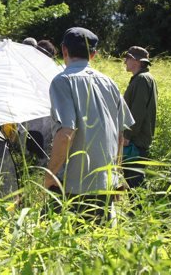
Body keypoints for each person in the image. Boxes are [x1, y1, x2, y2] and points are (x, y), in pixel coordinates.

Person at [44, 27, 134, 221]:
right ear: (94, 54)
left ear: (64, 50)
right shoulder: (109, 83)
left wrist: (49, 176)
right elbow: (119, 136)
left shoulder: (62, 81)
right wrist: (116, 175)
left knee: (63, 246)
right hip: (105, 184)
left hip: (72, 188)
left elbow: (66, 133)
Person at [122, 46, 158, 188]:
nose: (125, 62)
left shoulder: (142, 79)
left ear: (136, 61)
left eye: (128, 58)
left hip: (135, 142)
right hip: (137, 140)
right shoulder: (143, 78)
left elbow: (137, 111)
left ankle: (142, 210)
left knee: (135, 185)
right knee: (133, 183)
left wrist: (127, 136)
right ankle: (137, 209)